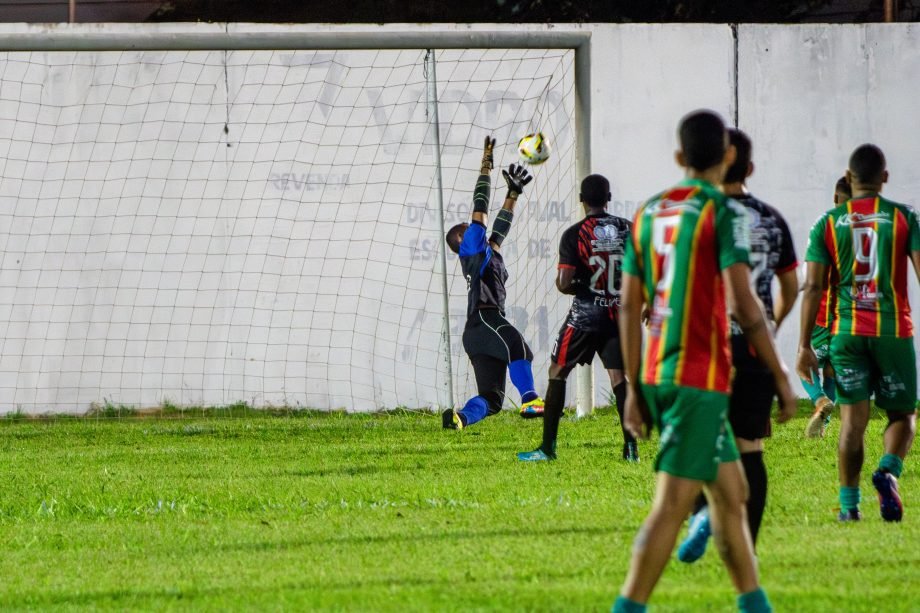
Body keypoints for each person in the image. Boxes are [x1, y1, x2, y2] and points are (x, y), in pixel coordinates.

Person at [612, 110, 796, 613]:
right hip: (697, 379)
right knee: (670, 509)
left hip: (656, 370)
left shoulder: (649, 211)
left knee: (731, 496)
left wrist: (631, 387)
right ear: (729, 156)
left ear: (678, 157)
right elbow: (744, 304)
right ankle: (628, 605)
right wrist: (781, 378)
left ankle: (754, 604)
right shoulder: (721, 211)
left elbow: (629, 305)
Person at [677, 128, 799, 563]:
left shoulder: (695, 214)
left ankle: (702, 510)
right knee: (749, 446)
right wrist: (770, 327)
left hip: (701, 345)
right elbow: (790, 285)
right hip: (751, 347)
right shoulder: (769, 218)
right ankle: (746, 546)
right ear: (747, 167)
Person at [797, 144, 920, 522]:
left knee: (853, 421)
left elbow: (814, 287)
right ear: (884, 177)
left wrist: (804, 344)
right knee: (902, 416)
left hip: (845, 333)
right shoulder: (903, 218)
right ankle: (886, 471)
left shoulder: (827, 222)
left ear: (849, 179)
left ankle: (849, 507)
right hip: (892, 330)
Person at [516, 174, 637, 462]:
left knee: (557, 371)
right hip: (617, 315)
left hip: (585, 317)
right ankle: (631, 448)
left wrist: (583, 286)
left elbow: (563, 282)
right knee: (619, 378)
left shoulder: (575, 234)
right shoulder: (628, 229)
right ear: (609, 198)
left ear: (581, 200)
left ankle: (547, 448)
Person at [442, 136, 544, 430]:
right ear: (461, 238)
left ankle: (461, 419)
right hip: (486, 319)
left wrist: (513, 193)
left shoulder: (487, 253)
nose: (471, 224)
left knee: (493, 398)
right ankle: (530, 400)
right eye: (467, 226)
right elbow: (481, 206)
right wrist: (486, 165)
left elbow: (499, 228)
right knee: (519, 348)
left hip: (477, 331)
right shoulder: (470, 245)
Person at [802, 177, 850, 438]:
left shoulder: (822, 228)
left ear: (835, 198)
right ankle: (824, 425)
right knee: (832, 369)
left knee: (806, 364)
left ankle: (820, 400)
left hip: (821, 317)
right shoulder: (864, 234)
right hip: (847, 321)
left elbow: (809, 279)